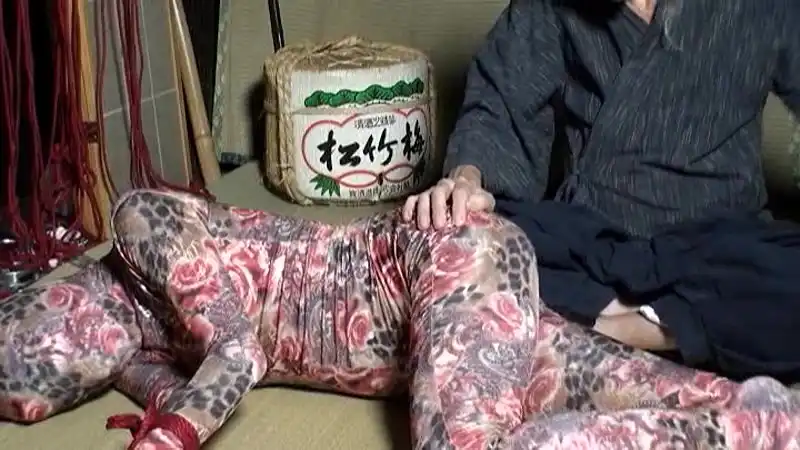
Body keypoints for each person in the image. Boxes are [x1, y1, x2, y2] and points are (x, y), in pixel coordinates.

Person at [2, 188, 800, 449]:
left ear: (55, 297)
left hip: (435, 260)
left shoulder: (140, 221)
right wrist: (148, 393)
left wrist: (169, 438)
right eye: (43, 391)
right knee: (707, 400)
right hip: (438, 324)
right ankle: (762, 419)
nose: (45, 391)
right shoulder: (134, 342)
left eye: (37, 359)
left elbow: (237, 353)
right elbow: (174, 379)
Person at [404, 0, 800, 382]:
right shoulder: (550, 8)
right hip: (596, 246)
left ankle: (617, 330)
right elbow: (498, 110)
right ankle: (682, 326)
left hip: (725, 252)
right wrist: (466, 182)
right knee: (463, 242)